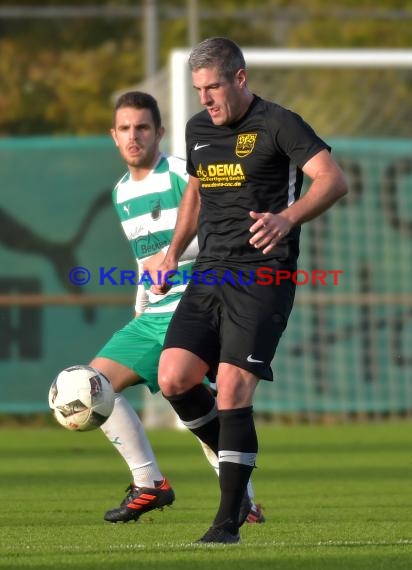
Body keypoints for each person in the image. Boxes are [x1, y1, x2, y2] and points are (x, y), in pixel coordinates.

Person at [153, 37, 348, 543]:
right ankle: (237, 473)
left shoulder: (280, 123)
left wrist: (286, 218)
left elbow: (331, 180)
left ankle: (227, 521)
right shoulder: (199, 129)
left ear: (240, 78)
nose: (206, 99)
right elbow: (195, 192)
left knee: (235, 387)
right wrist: (175, 251)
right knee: (174, 377)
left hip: (265, 274)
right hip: (210, 272)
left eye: (213, 86)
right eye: (199, 89)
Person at [90, 90, 264, 524]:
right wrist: (140, 304)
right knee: (91, 385)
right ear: (114, 136)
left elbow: (223, 235)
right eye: (126, 129)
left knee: (194, 396)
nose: (134, 137)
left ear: (160, 132)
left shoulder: (184, 174)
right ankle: (150, 483)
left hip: (203, 302)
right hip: (155, 314)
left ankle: (246, 502)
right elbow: (142, 261)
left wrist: (172, 254)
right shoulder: (120, 192)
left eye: (143, 128)